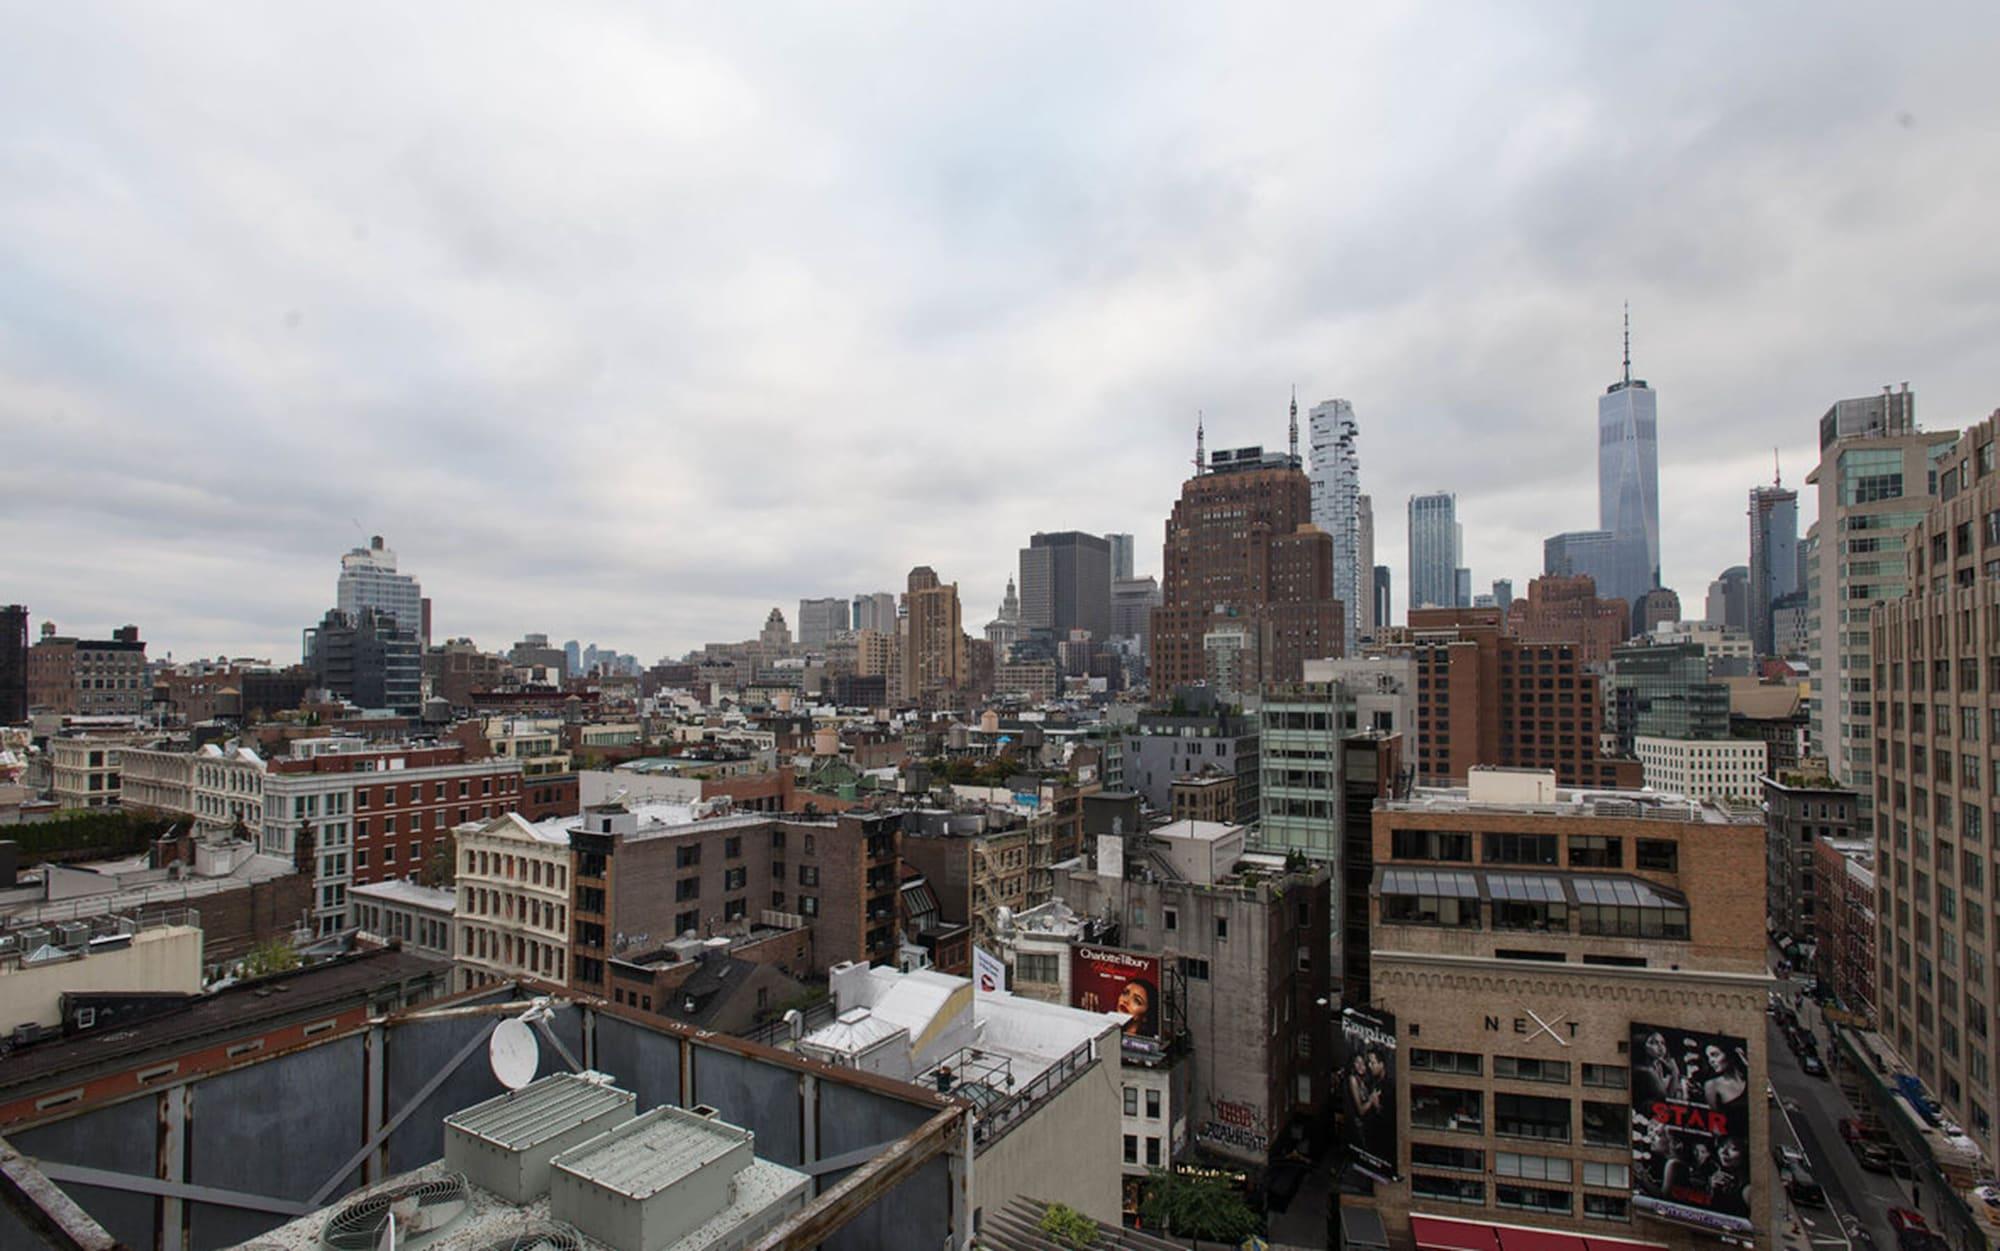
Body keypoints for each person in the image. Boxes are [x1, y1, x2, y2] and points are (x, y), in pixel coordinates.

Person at [1637, 1031, 1684, 1104]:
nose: (1660, 1047)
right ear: (1644, 1046)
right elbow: (1665, 1099)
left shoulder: (1658, 1066)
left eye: (1662, 1043)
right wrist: (1675, 1072)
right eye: (1654, 1043)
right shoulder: (1645, 1070)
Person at [1702, 1041, 1749, 1110]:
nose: (1710, 1061)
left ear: (1729, 1054)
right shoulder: (1711, 1085)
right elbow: (1714, 1116)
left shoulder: (1747, 1077)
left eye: (1715, 1055)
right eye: (1708, 1057)